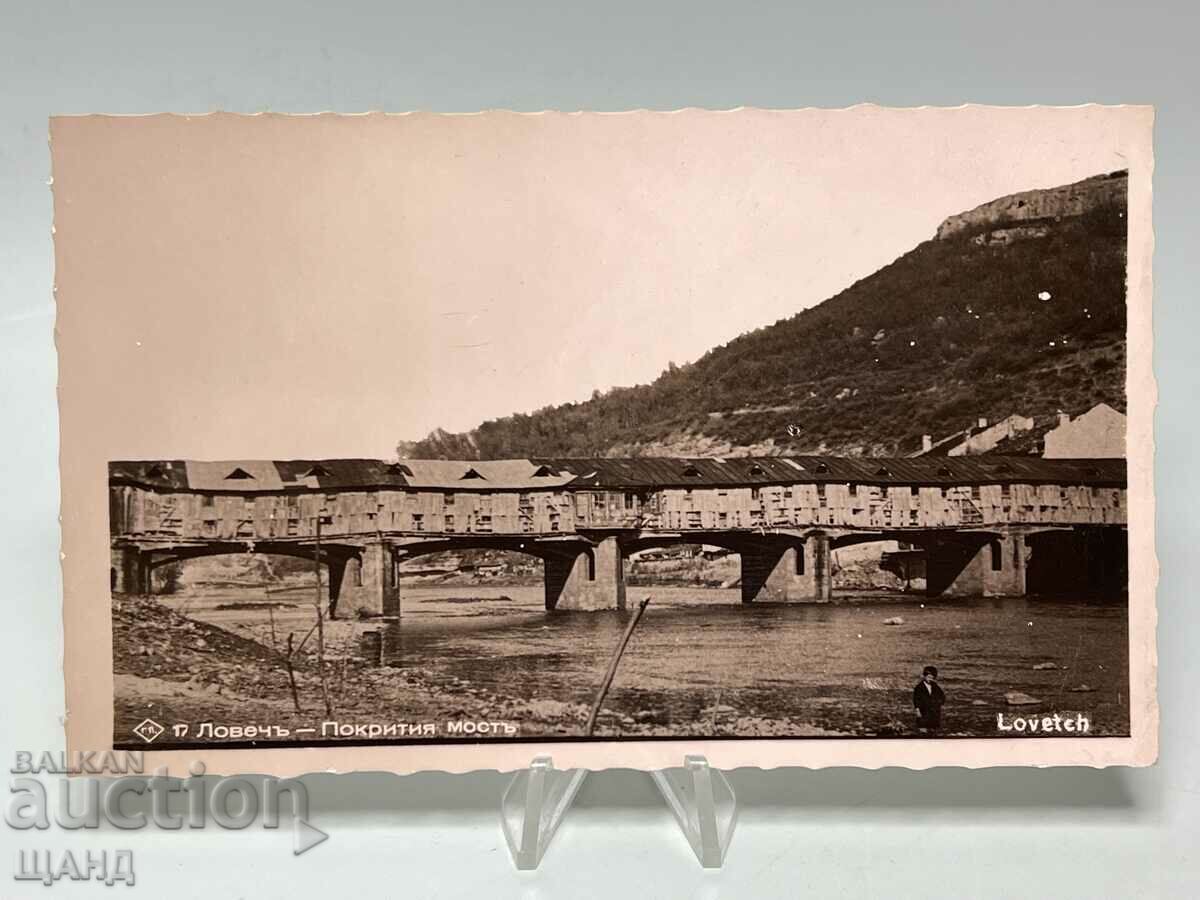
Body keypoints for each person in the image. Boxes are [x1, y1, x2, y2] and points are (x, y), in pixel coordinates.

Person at [913, 665, 945, 732]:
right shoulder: (919, 687)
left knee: (933, 730)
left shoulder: (935, 686)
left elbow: (942, 696)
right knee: (923, 730)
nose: (930, 679)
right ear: (924, 676)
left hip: (934, 712)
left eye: (932, 678)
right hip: (923, 711)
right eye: (929, 677)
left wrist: (939, 703)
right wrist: (918, 711)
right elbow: (916, 700)